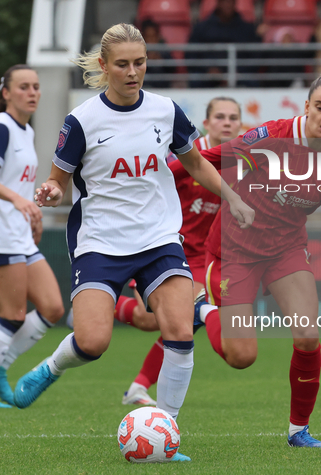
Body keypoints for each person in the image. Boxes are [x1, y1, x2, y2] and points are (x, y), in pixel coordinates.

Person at [12, 24, 253, 462]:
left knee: (180, 331)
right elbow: (58, 181)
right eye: (122, 64)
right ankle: (51, 366)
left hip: (159, 238)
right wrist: (49, 191)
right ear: (104, 67)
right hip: (100, 241)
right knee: (93, 343)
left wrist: (232, 197)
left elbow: (196, 163)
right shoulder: (82, 121)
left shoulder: (167, 111)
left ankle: (167, 431)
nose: (132, 71)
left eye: (139, 62)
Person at [190, 63, 321, 448]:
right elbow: (210, 158)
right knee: (242, 357)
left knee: (307, 335)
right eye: (320, 107)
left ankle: (298, 430)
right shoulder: (271, 134)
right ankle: (202, 309)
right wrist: (151, 171)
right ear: (306, 105)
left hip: (285, 251)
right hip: (233, 252)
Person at [116, 97, 242, 406]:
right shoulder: (192, 160)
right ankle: (104, 303)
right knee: (152, 320)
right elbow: (154, 183)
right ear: (207, 123)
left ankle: (138, 386)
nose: (227, 123)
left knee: (181, 322)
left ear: (241, 125)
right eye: (220, 117)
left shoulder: (242, 166)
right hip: (165, 247)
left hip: (205, 259)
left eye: (233, 118)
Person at [0, 65, 65, 408]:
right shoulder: (2, 127)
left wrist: (31, 210)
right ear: (6, 93)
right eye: (24, 87)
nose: (33, 92)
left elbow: (17, 183)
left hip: (19, 234)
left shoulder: (26, 131)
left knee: (52, 307)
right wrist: (19, 200)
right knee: (13, 314)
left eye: (36, 86)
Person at [187, 0, 260, 87]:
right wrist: (208, 69)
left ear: (235, 3)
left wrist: (239, 72)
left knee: (253, 82)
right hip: (208, 76)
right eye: (224, 1)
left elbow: (255, 57)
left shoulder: (247, 29)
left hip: (239, 76)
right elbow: (191, 55)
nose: (228, 5)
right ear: (218, 3)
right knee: (196, 81)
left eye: (230, 2)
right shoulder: (201, 28)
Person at [139, 19, 175, 89]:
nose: (151, 40)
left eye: (153, 36)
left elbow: (173, 68)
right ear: (143, 38)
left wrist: (161, 61)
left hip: (163, 88)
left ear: (158, 37)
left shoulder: (164, 50)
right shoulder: (137, 51)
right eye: (148, 37)